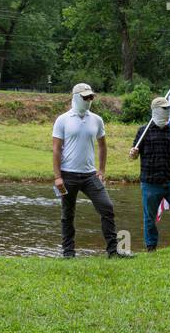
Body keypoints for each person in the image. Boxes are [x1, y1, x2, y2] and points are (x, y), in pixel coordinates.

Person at [52, 83, 121, 258]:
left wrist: (102, 170)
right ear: (75, 97)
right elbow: (56, 149)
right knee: (68, 214)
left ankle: (113, 252)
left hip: (90, 175)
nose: (89, 100)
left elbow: (103, 146)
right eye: (85, 97)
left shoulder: (96, 120)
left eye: (91, 97)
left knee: (107, 207)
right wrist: (58, 177)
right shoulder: (63, 119)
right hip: (68, 175)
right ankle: (68, 253)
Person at [129, 97, 170, 252]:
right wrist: (133, 153)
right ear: (155, 110)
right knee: (149, 218)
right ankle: (151, 247)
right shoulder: (143, 131)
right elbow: (133, 155)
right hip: (150, 184)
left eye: (168, 108)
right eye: (164, 108)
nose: (167, 111)